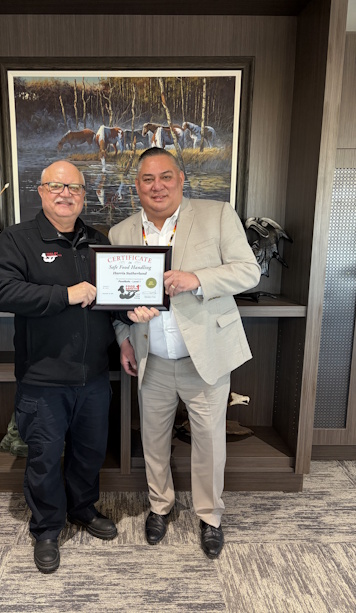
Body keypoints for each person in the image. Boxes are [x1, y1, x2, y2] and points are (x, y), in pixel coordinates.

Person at [0, 161, 153, 574]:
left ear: (83, 195)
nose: (66, 194)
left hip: (93, 376)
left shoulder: (98, 241)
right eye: (56, 186)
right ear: (41, 192)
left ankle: (82, 508)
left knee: (89, 451)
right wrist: (65, 294)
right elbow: (1, 292)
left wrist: (134, 311)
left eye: (74, 188)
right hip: (42, 378)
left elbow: (111, 299)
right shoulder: (17, 240)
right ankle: (47, 528)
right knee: (44, 458)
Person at [109, 148, 261, 559]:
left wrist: (197, 278)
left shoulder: (217, 214)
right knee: (153, 440)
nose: (157, 186)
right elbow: (116, 300)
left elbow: (249, 270)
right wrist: (124, 336)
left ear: (180, 178)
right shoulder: (121, 233)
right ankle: (160, 506)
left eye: (165, 177)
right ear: (136, 186)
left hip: (204, 355)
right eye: (147, 179)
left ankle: (210, 516)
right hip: (152, 358)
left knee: (210, 443)